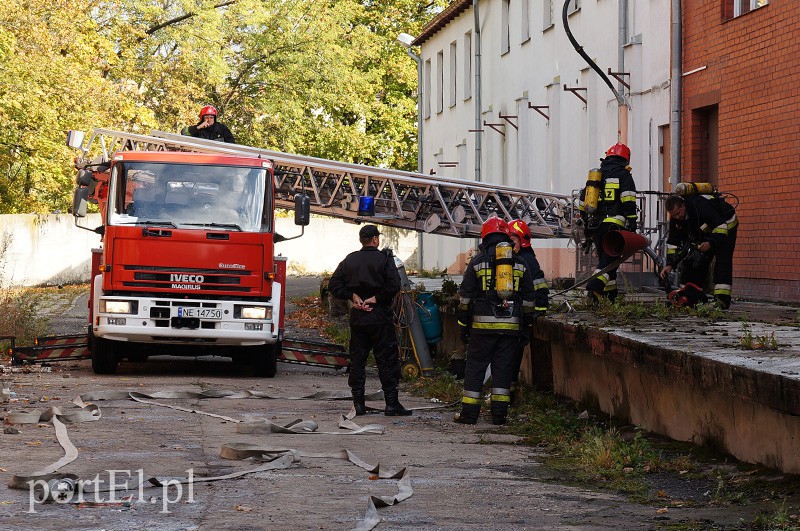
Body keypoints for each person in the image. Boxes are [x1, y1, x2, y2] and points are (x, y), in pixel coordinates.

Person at [456, 217, 537, 425]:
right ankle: (499, 416)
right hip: (510, 328)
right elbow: (529, 299)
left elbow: (465, 298)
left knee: (475, 369)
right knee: (503, 370)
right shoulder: (519, 262)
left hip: (481, 328)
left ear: (485, 236)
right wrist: (526, 327)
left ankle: (469, 414)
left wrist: (464, 325)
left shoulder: (477, 262)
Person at [328, 224, 412, 416]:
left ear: (361, 240)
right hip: (380, 316)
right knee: (387, 361)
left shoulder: (350, 259)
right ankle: (391, 404)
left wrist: (352, 295)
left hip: (358, 318)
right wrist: (377, 298)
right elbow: (394, 284)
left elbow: (334, 285)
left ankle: (358, 404)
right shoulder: (384, 259)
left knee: (358, 361)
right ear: (375, 239)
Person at [579, 142, 638, 302]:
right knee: (609, 261)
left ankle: (609, 296)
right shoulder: (623, 174)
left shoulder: (597, 176)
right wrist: (632, 221)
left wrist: (585, 223)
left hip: (596, 226)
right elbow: (628, 198)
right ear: (626, 158)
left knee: (608, 261)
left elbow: (583, 202)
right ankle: (594, 288)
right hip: (615, 225)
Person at [659, 193, 738, 309]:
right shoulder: (676, 218)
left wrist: (711, 243)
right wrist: (670, 265)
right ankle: (690, 296)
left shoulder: (700, 206)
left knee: (722, 261)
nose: (677, 217)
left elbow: (721, 227)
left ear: (683, 206)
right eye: (673, 215)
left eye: (678, 213)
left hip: (726, 226)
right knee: (694, 261)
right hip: (706, 232)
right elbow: (673, 245)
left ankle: (722, 301)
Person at [507, 219, 549, 401]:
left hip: (521, 319)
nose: (509, 244)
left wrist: (537, 310)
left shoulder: (527, 260)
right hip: (511, 316)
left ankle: (509, 392)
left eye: (513, 239)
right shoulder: (511, 258)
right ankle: (507, 390)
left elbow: (540, 286)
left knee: (512, 356)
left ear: (522, 240)